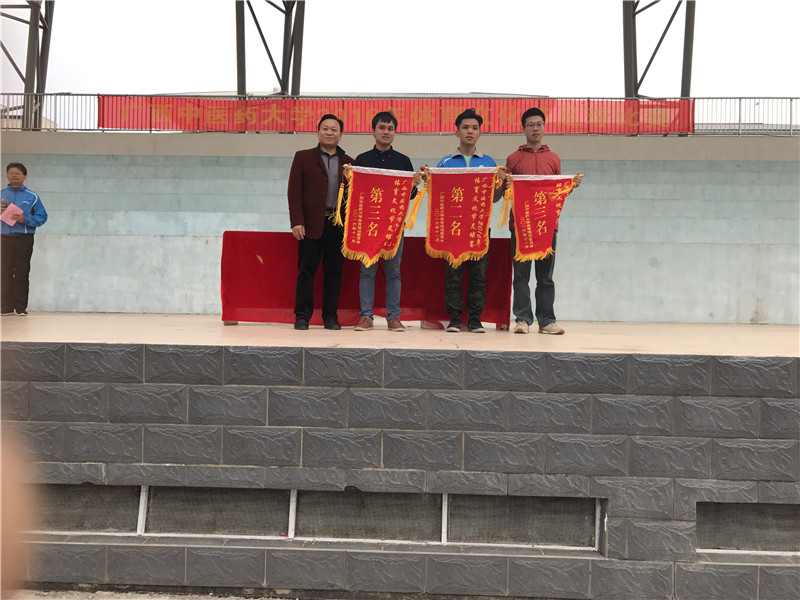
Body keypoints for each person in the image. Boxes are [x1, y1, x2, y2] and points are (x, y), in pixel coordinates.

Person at [505, 107, 582, 335]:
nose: (535, 128)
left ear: (544, 127)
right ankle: (522, 319)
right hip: (520, 226)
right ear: (523, 129)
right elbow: (508, 190)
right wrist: (504, 183)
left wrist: (570, 185)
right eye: (530, 125)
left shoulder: (553, 158)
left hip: (546, 226)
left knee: (545, 277)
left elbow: (557, 191)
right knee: (520, 275)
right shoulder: (513, 158)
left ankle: (547, 320)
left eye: (539, 124)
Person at [434, 108, 504, 334]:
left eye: (474, 128)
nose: (470, 131)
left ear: (480, 132)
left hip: (478, 229)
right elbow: (437, 196)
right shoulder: (445, 163)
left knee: (478, 277)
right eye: (465, 127)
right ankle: (454, 319)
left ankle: (475, 319)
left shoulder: (489, 163)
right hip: (453, 230)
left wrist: (502, 183)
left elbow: (494, 198)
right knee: (453, 277)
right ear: (457, 132)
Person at [350, 111, 421, 333]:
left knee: (394, 272)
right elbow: (356, 193)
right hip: (369, 225)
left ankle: (394, 317)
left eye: (390, 128)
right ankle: (366, 316)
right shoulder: (362, 160)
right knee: (367, 272)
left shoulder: (403, 161)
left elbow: (409, 197)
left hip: (393, 226)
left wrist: (414, 185)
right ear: (373, 131)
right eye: (381, 127)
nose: (386, 132)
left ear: (394, 132)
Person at [287, 114, 353, 330]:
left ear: (340, 135)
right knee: (306, 271)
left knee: (334, 272)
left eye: (334, 130)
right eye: (325, 128)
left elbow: (355, 196)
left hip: (338, 225)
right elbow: (294, 192)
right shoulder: (303, 157)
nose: (329, 133)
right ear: (318, 132)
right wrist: (297, 221)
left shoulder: (350, 163)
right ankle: (302, 316)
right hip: (310, 224)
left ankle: (330, 317)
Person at [1, 163, 48, 316]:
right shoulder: (1, 194)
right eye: (11, 172)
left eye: (18, 173)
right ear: (7, 175)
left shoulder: (32, 197)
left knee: (22, 272)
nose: (14, 175)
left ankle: (20, 307)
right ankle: (5, 307)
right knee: (4, 272)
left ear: (25, 176)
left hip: (24, 238)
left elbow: (42, 217)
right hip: (4, 238)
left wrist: (25, 219)